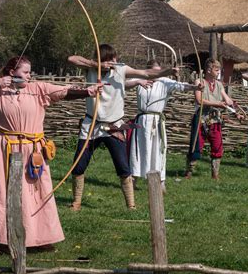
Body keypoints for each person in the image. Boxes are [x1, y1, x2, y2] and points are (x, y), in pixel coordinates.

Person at [0, 56, 104, 256]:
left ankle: (40, 237)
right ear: (12, 73)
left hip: (33, 150)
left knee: (36, 193)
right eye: (26, 72)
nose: (30, 76)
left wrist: (88, 91)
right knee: (1, 194)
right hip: (5, 149)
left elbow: (63, 92)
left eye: (30, 72)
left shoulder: (37, 88)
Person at [67, 44, 178, 211]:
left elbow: (147, 73)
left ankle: (131, 206)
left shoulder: (121, 69)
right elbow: (71, 59)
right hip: (92, 125)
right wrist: (96, 65)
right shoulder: (90, 69)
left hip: (114, 127)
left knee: (123, 168)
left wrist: (168, 72)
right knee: (79, 166)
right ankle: (76, 203)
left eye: (115, 58)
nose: (114, 61)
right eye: (110, 58)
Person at [129, 59, 202, 193]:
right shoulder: (140, 80)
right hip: (142, 120)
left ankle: (160, 182)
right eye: (153, 71)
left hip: (156, 121)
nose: (157, 74)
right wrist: (138, 81)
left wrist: (195, 88)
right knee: (139, 150)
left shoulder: (165, 81)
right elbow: (124, 82)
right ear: (147, 71)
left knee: (158, 150)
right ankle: (134, 179)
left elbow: (182, 86)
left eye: (159, 71)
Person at [185, 58, 235, 180]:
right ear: (208, 70)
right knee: (196, 146)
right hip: (201, 119)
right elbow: (199, 100)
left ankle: (215, 175)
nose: (218, 72)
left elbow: (227, 99)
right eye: (216, 70)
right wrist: (218, 104)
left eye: (219, 70)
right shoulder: (199, 81)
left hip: (215, 120)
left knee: (217, 146)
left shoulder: (218, 84)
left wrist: (232, 105)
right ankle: (189, 173)